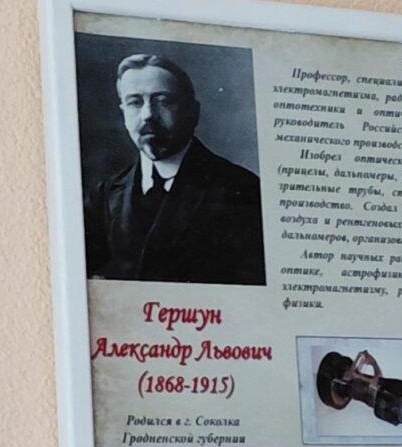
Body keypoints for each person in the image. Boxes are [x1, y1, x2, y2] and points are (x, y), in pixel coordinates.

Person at [83, 51, 266, 286]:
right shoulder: (104, 196)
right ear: (124, 113)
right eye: (135, 102)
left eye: (163, 101)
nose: (148, 115)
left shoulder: (241, 190)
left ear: (193, 112)